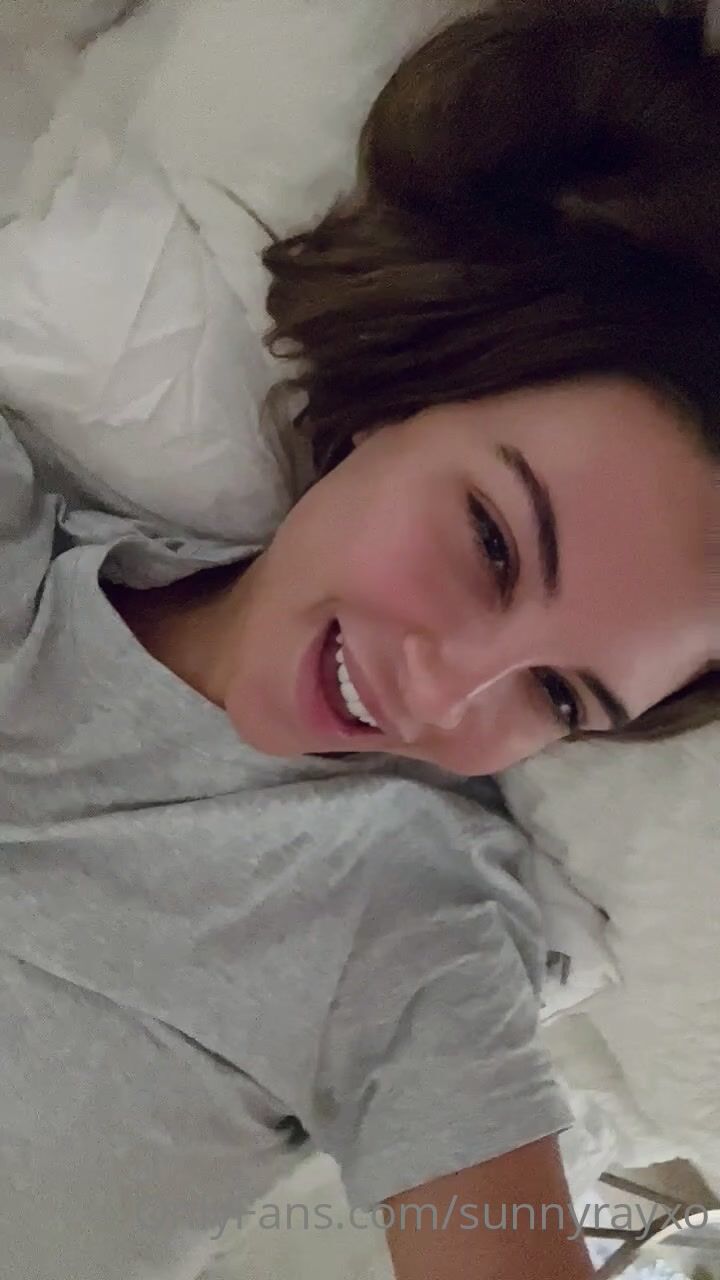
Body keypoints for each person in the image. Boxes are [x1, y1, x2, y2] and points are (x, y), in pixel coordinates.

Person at [0, 1, 717, 1278]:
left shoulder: (408, 915)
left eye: (560, 695)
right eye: (491, 542)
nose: (449, 689)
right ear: (397, 400)